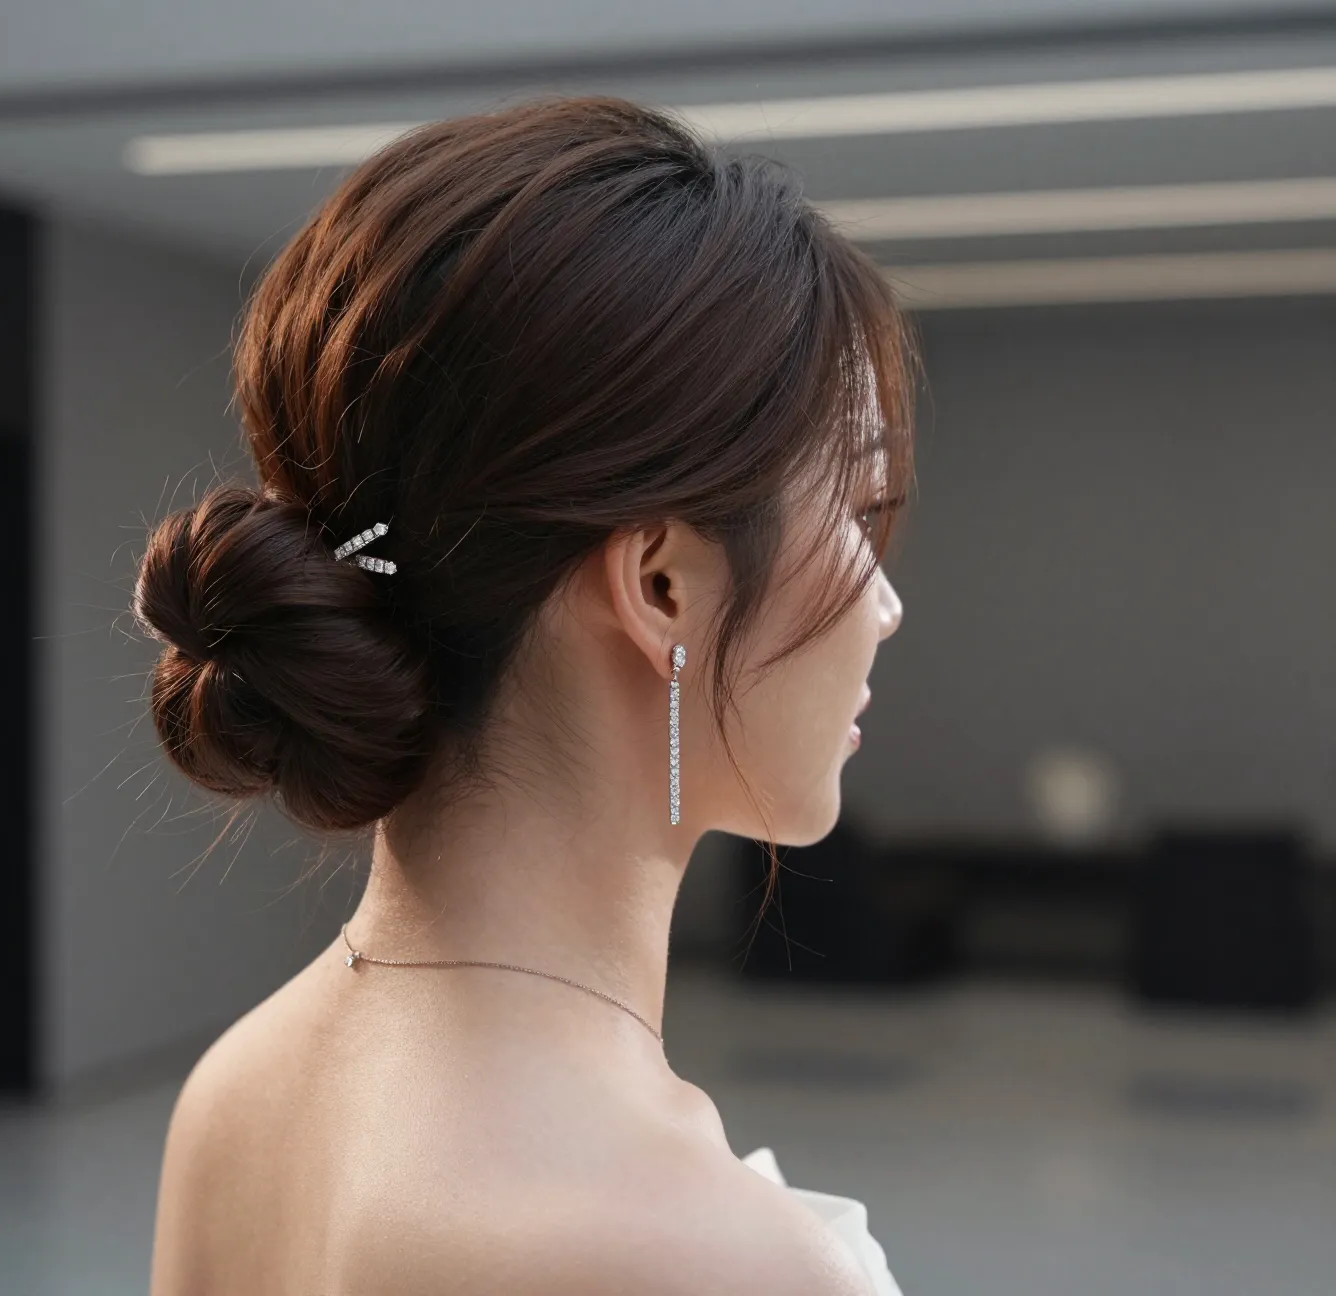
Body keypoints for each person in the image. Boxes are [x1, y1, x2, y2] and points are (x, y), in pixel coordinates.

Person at [138, 96, 913, 1295]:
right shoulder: (693, 1255)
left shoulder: (236, 1092)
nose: (884, 603)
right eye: (858, 515)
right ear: (659, 581)